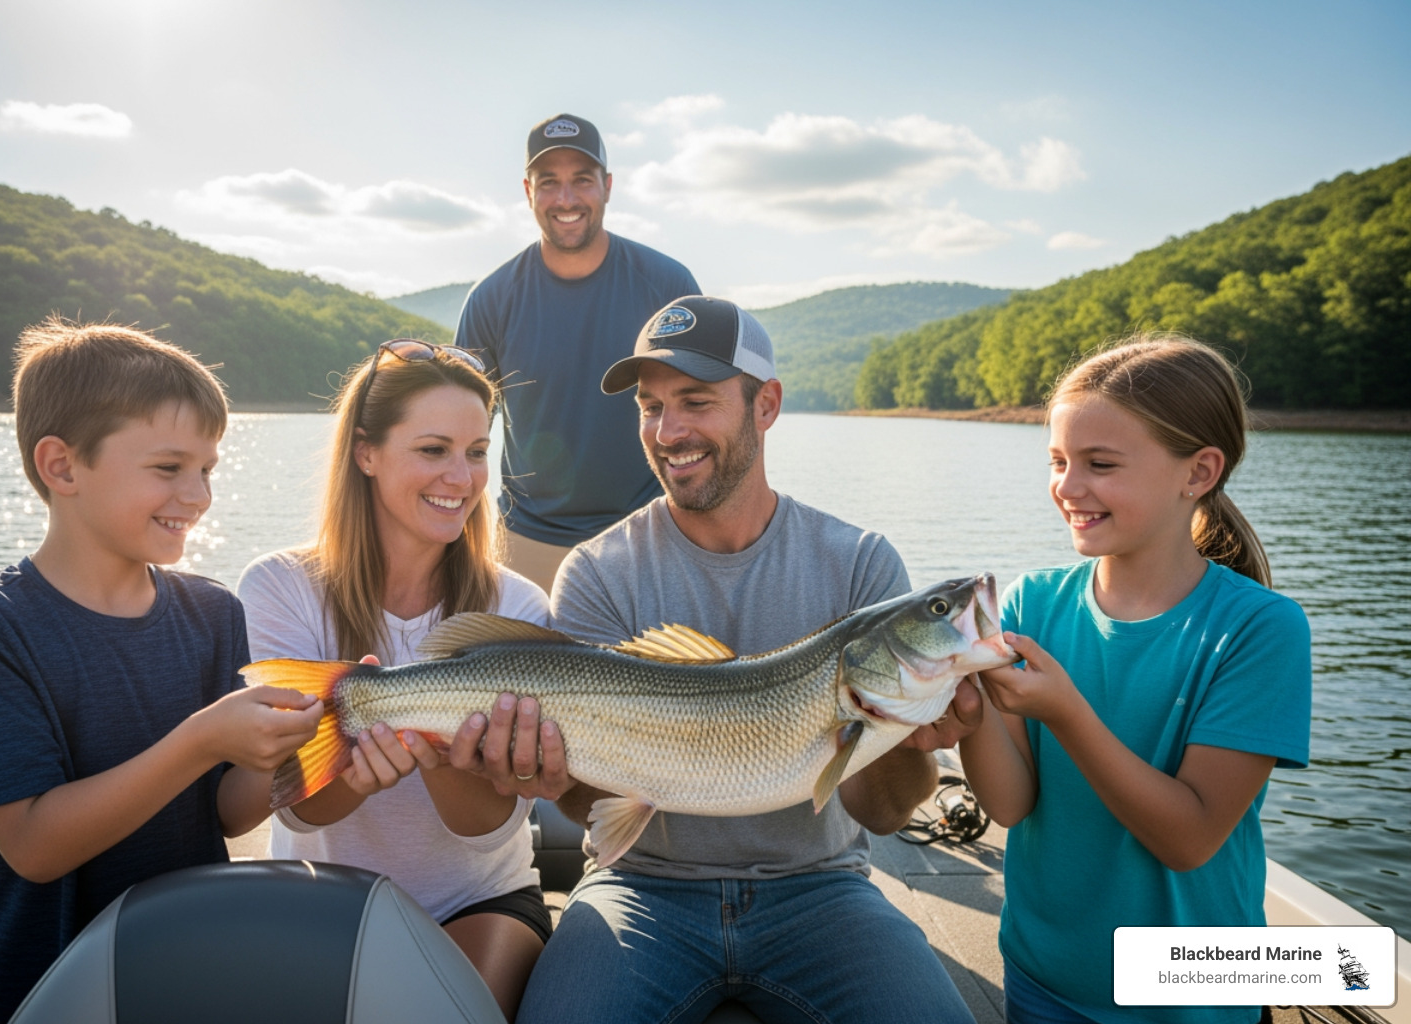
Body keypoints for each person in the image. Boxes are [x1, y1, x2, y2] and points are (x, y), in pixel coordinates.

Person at [472, 295, 977, 1024]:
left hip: (822, 888)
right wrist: (544, 774)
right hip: (640, 890)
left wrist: (905, 726)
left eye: (696, 402)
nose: (668, 432)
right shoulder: (597, 571)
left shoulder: (860, 563)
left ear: (765, 405)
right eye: (650, 406)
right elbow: (589, 806)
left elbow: (888, 812)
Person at [0, 318, 323, 1024]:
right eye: (169, 468)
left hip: (180, 979)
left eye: (207, 470)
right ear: (62, 466)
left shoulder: (212, 612)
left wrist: (301, 744)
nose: (197, 495)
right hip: (34, 996)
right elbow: (35, 847)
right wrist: (201, 739)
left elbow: (226, 813)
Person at [958, 335, 1312, 1024]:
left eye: (1101, 464)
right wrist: (971, 714)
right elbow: (1010, 804)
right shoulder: (1033, 603)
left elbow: (1190, 838)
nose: (1067, 486)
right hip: (1042, 978)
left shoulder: (1260, 630)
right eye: (1058, 461)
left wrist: (1066, 713)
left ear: (1198, 472)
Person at [236, 338, 552, 1021]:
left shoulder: (519, 606)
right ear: (366, 453)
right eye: (434, 450)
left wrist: (440, 757)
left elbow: (491, 829)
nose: (462, 478)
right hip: (321, 893)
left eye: (476, 452)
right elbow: (295, 806)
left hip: (480, 898)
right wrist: (353, 774)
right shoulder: (278, 588)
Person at [455, 112, 701, 592]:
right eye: (549, 182)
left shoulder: (669, 287)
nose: (566, 199)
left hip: (650, 537)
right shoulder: (491, 299)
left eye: (582, 180)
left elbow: (704, 413)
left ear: (607, 186)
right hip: (525, 545)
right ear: (528, 191)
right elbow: (458, 434)